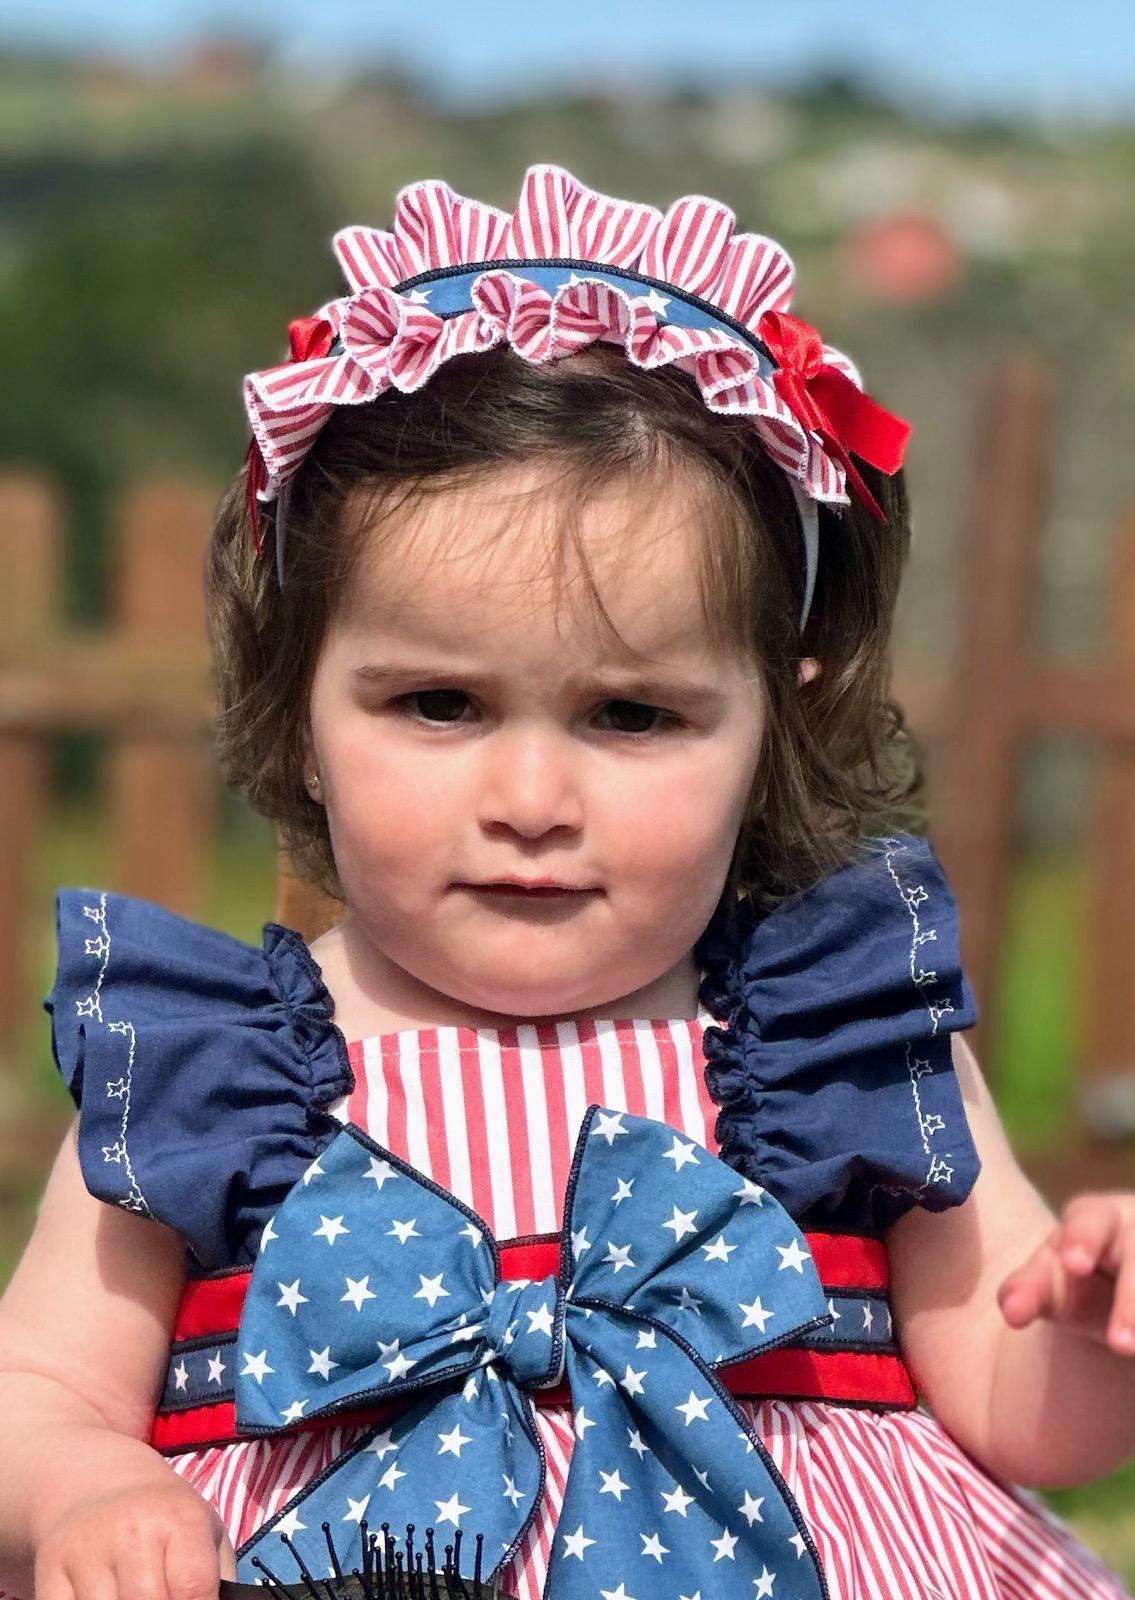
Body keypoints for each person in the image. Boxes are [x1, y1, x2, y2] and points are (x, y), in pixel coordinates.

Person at [0, 163, 1132, 1600]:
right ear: (300, 706)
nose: (532, 803)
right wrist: (89, 1482)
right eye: (437, 705)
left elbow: (1019, 1407)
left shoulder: (840, 1045)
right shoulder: (203, 1075)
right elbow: (31, 1390)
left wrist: (1091, 1333)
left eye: (632, 718)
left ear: (774, 719)